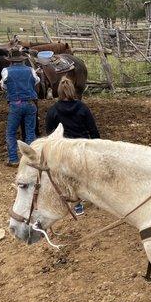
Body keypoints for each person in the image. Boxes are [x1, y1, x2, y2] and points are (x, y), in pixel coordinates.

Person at [45, 77, 100, 215]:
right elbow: (92, 129)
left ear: (59, 92)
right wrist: (97, 144)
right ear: (72, 90)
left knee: (70, 177)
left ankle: (77, 204)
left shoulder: (53, 110)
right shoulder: (82, 107)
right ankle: (92, 196)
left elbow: (49, 133)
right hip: (82, 147)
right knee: (86, 173)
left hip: (65, 149)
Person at [1, 48, 40, 167]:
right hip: (30, 103)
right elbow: (36, 81)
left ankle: (13, 159)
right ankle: (31, 159)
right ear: (22, 60)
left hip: (15, 104)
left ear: (11, 61)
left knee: (11, 133)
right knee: (30, 132)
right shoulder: (30, 70)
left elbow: (3, 85)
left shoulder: (6, 70)